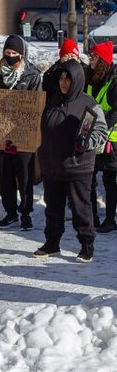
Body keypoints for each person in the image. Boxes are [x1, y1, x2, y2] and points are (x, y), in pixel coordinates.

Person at [35, 61, 106, 263]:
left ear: (77, 80)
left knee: (81, 209)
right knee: (53, 208)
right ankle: (52, 243)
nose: (64, 82)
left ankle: (86, 246)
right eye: (61, 78)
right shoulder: (53, 101)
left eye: (68, 79)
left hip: (77, 167)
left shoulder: (89, 104)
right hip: (51, 166)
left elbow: (100, 131)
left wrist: (87, 142)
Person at [0, 35, 42, 230]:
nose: (11, 57)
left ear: (22, 54)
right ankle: (10, 212)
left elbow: (36, 104)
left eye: (14, 53)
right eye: (7, 53)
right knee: (6, 174)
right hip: (2, 132)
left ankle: (26, 212)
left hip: (24, 134)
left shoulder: (32, 75)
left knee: (24, 175)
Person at [86, 41, 117, 232]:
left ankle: (110, 219)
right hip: (92, 137)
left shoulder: (114, 80)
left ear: (102, 61)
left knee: (109, 180)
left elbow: (116, 110)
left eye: (94, 57)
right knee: (88, 177)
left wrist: (100, 125)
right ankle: (92, 217)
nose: (91, 60)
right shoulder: (90, 78)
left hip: (111, 140)